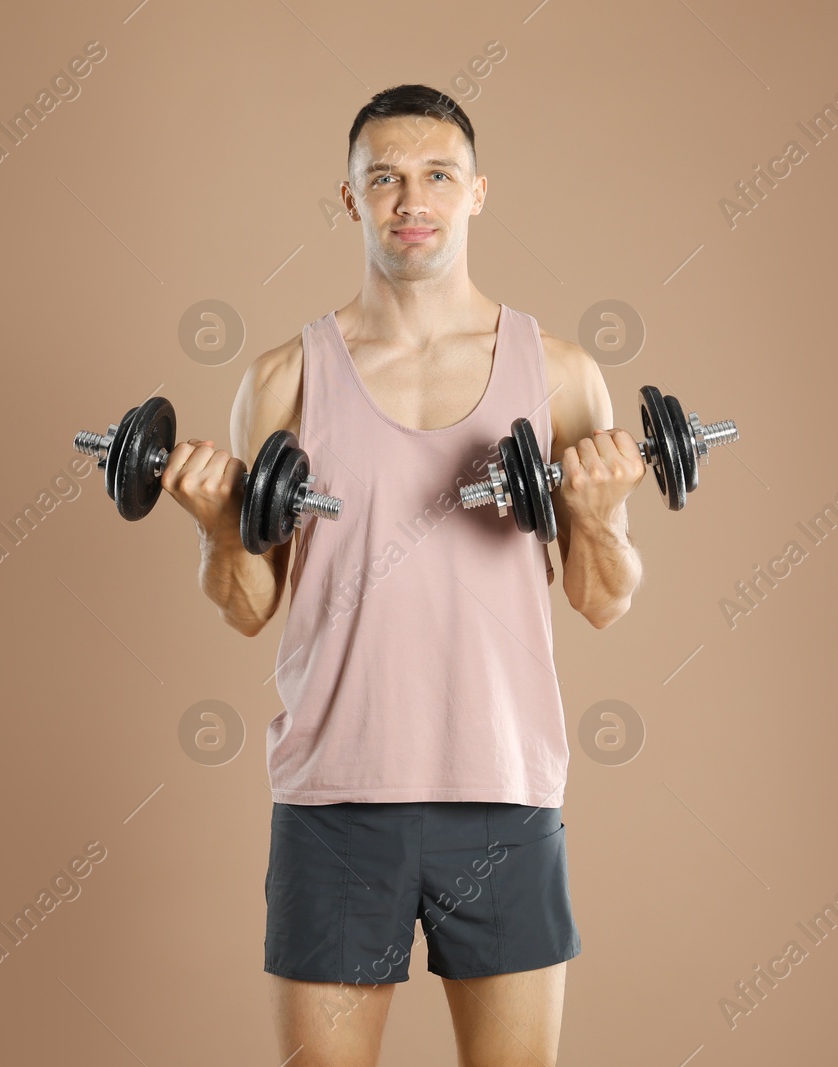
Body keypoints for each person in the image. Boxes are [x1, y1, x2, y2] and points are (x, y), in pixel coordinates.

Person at [162, 84, 645, 1067]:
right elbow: (253, 605)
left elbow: (603, 597)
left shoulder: (559, 372)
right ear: (349, 200)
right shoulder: (285, 376)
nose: (409, 198)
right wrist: (220, 527)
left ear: (476, 193)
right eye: (382, 178)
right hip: (334, 798)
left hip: (502, 793)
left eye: (434, 176)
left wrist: (591, 515)